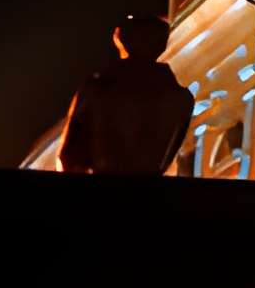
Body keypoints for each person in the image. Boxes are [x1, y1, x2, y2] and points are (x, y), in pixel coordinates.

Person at [57, 14, 189, 175]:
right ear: (162, 44)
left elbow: (70, 156)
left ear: (120, 40)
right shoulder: (181, 99)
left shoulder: (98, 89)